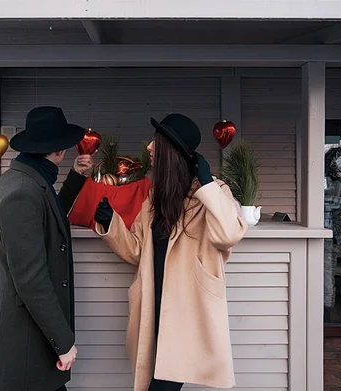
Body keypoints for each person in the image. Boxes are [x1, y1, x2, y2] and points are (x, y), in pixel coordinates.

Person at [93, 113, 248, 391]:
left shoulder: (213, 192)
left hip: (185, 314)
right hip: (153, 309)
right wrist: (110, 223)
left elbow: (229, 235)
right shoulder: (156, 197)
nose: (150, 148)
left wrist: (208, 185)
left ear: (173, 151)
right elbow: (137, 250)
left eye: (157, 142)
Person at [0, 106, 95, 391]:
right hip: (24, 344)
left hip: (32, 339)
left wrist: (76, 177)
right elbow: (31, 280)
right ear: (57, 150)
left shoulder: (28, 178)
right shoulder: (22, 192)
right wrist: (63, 342)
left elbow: (50, 214)